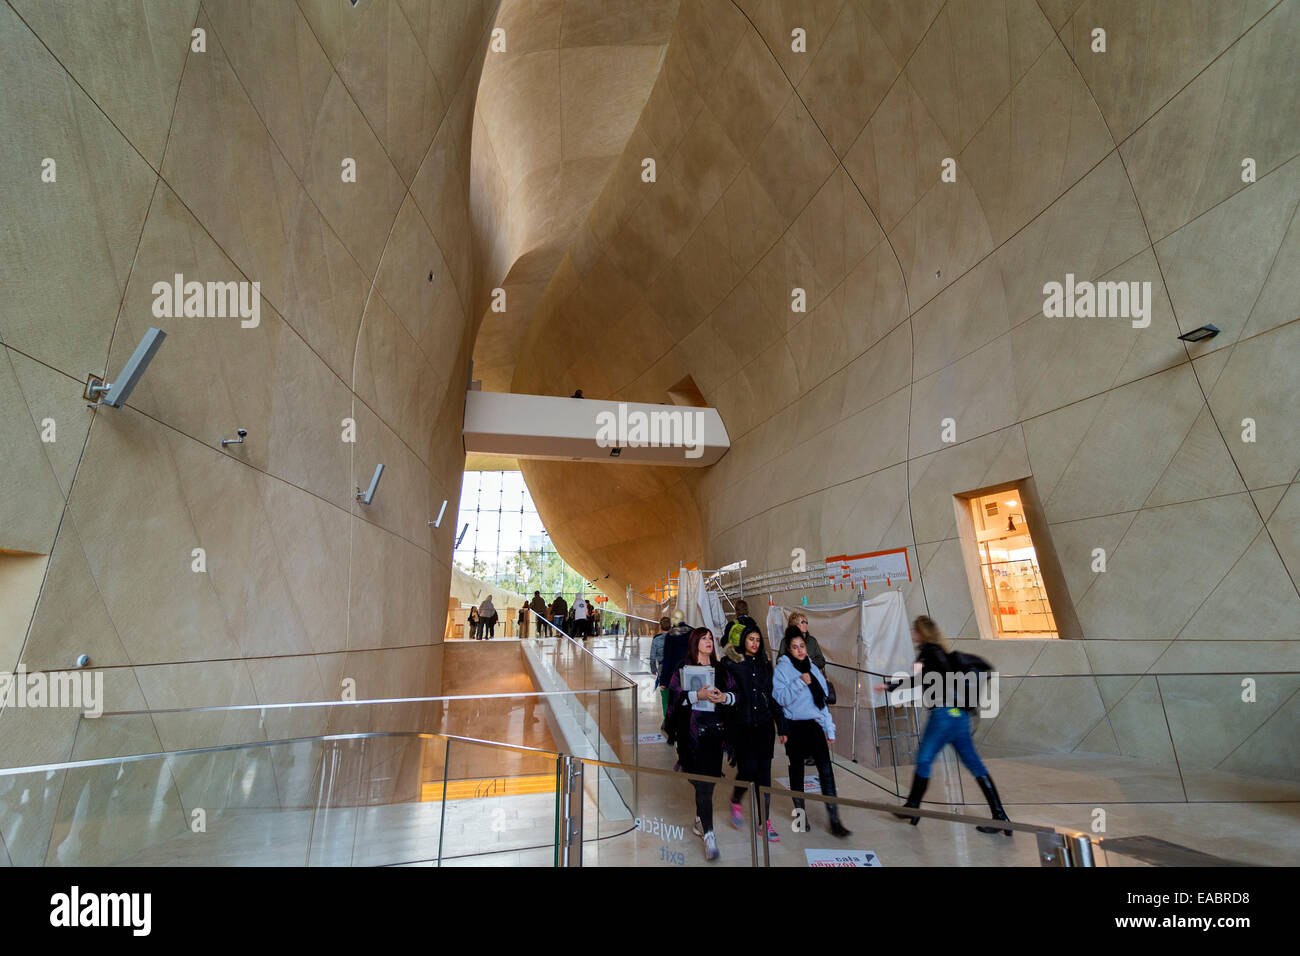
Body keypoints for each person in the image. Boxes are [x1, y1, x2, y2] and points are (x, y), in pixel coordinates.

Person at [875, 615, 1011, 835]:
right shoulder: (941, 653)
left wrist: (890, 686)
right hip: (960, 717)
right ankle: (1000, 816)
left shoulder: (930, 653)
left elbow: (919, 681)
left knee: (924, 759)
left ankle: (912, 808)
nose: (912, 633)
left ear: (921, 632)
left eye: (914, 630)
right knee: (974, 765)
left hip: (943, 715)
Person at [665, 628, 736, 861]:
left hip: (715, 735)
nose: (708, 642)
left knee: (708, 784)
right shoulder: (683, 669)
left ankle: (699, 819)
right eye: (704, 638)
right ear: (695, 642)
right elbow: (676, 701)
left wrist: (724, 697)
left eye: (710, 639)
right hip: (692, 737)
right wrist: (698, 696)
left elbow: (736, 695)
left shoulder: (721, 669)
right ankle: (709, 836)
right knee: (703, 785)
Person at [773, 634, 850, 838]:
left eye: (802, 646)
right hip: (794, 726)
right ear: (788, 650)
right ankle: (800, 815)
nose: (800, 650)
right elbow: (779, 699)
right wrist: (799, 682)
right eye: (795, 647)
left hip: (814, 725)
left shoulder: (813, 668)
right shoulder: (782, 669)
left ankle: (834, 819)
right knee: (797, 770)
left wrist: (829, 728)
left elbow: (822, 701)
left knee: (826, 770)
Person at [719, 624, 785, 842]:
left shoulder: (765, 665)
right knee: (748, 770)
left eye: (758, 640)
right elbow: (725, 691)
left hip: (764, 725)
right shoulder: (732, 664)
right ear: (743, 641)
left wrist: (781, 725)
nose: (755, 644)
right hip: (744, 726)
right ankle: (736, 799)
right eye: (751, 639)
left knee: (764, 774)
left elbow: (771, 695)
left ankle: (764, 822)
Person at [656, 611, 693, 742]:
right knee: (689, 700)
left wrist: (664, 681)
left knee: (674, 700)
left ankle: (673, 726)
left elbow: (668, 660)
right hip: (690, 673)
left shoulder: (671, 636)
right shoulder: (692, 632)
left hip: (674, 675)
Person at [649, 616, 671, 718]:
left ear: (660, 626)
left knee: (665, 697)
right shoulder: (675, 638)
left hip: (663, 671)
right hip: (675, 671)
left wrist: (653, 669)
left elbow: (652, 657)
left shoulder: (656, 639)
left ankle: (667, 720)